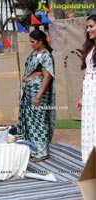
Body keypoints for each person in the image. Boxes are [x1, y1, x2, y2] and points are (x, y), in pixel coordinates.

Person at [17, 29, 55, 163]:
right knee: (31, 122)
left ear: (41, 41)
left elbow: (47, 76)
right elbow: (38, 72)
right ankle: (34, 150)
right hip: (29, 92)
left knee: (39, 121)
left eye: (33, 42)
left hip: (38, 94)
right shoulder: (35, 53)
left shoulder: (46, 55)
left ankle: (42, 152)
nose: (31, 44)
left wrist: (38, 96)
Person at [76, 14, 96, 163]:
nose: (88, 30)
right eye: (87, 27)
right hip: (90, 94)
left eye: (91, 26)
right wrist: (83, 97)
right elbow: (88, 72)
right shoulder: (90, 47)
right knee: (90, 127)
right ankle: (91, 164)